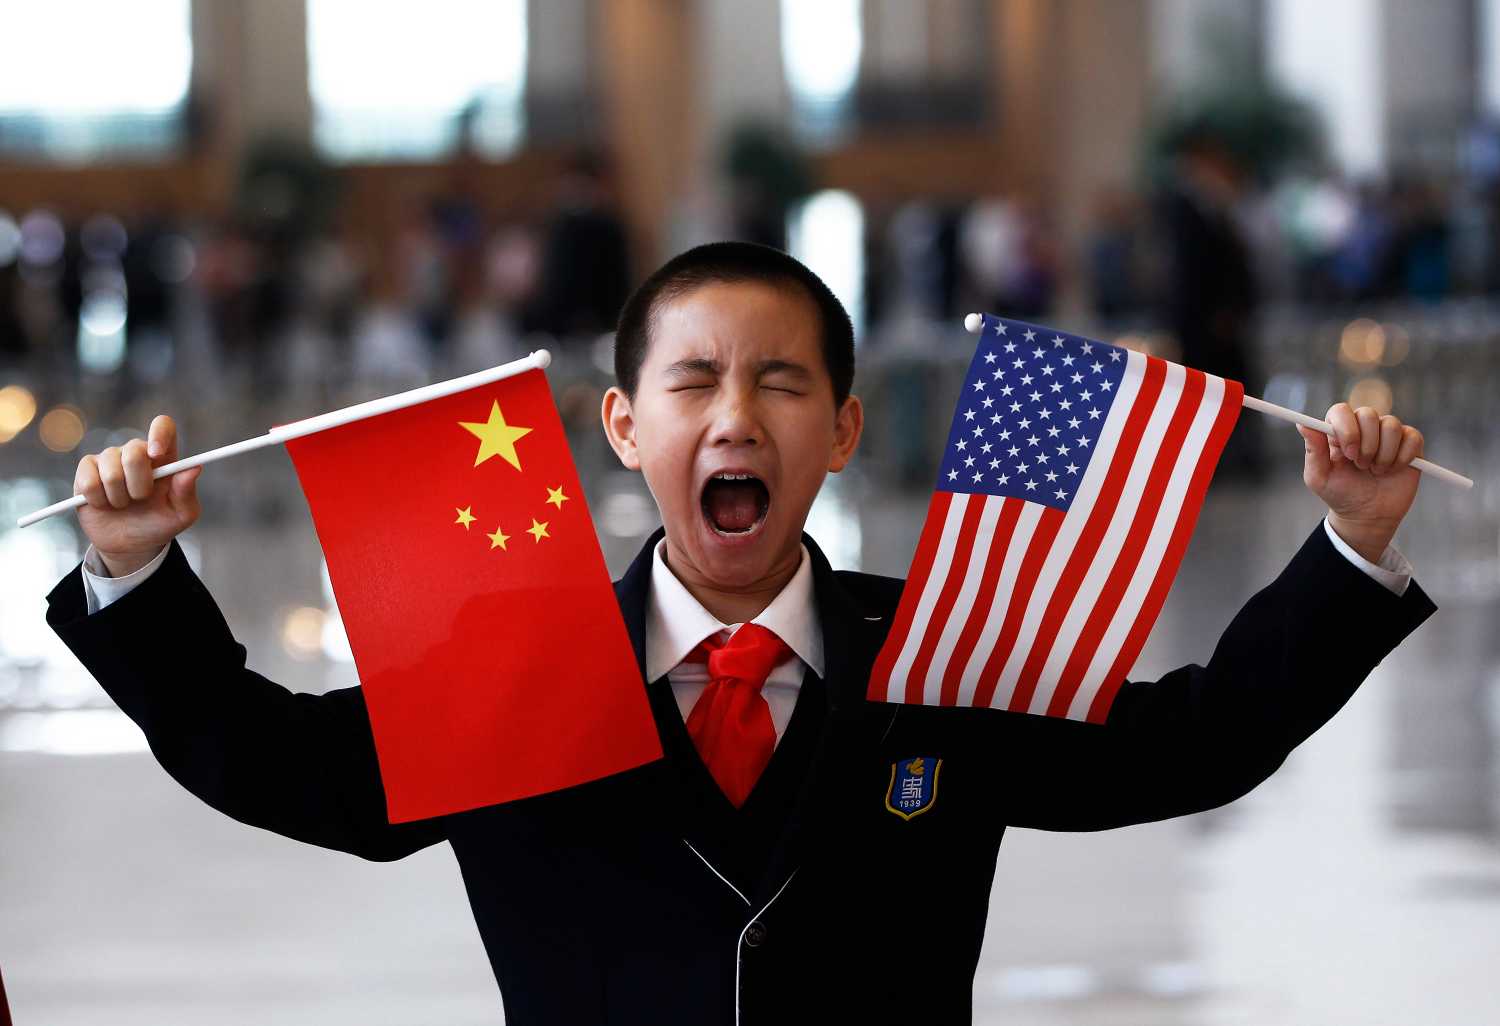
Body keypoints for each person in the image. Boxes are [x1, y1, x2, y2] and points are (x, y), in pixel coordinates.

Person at [46, 243, 1434, 1025]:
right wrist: (135, 572)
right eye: (695, 379)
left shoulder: (942, 648)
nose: (734, 416)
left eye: (780, 382)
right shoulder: (517, 663)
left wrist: (1348, 543)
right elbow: (289, 765)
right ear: (625, 426)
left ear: (840, 429)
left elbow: (1188, 741)